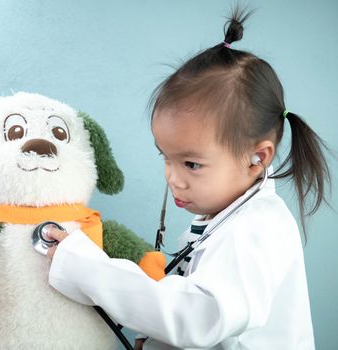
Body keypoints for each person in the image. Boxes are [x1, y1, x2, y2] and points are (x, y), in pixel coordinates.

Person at [46, 8, 331, 350]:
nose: (173, 179)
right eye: (166, 157)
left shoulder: (258, 229)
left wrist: (87, 268)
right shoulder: (224, 217)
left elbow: (201, 317)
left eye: (192, 164)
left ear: (258, 158)